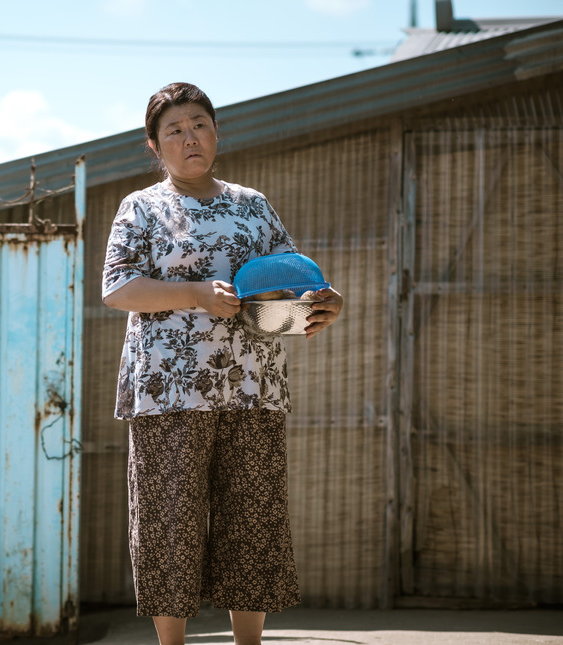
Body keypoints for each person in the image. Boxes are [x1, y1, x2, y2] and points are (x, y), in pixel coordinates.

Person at [101, 82, 343, 645]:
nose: (190, 137)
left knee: (252, 519)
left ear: (217, 132)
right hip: (169, 390)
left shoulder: (252, 205)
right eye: (175, 130)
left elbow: (288, 288)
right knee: (171, 519)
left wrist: (321, 306)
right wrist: (197, 294)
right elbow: (117, 289)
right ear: (154, 145)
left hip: (254, 387)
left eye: (200, 124)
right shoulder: (141, 208)